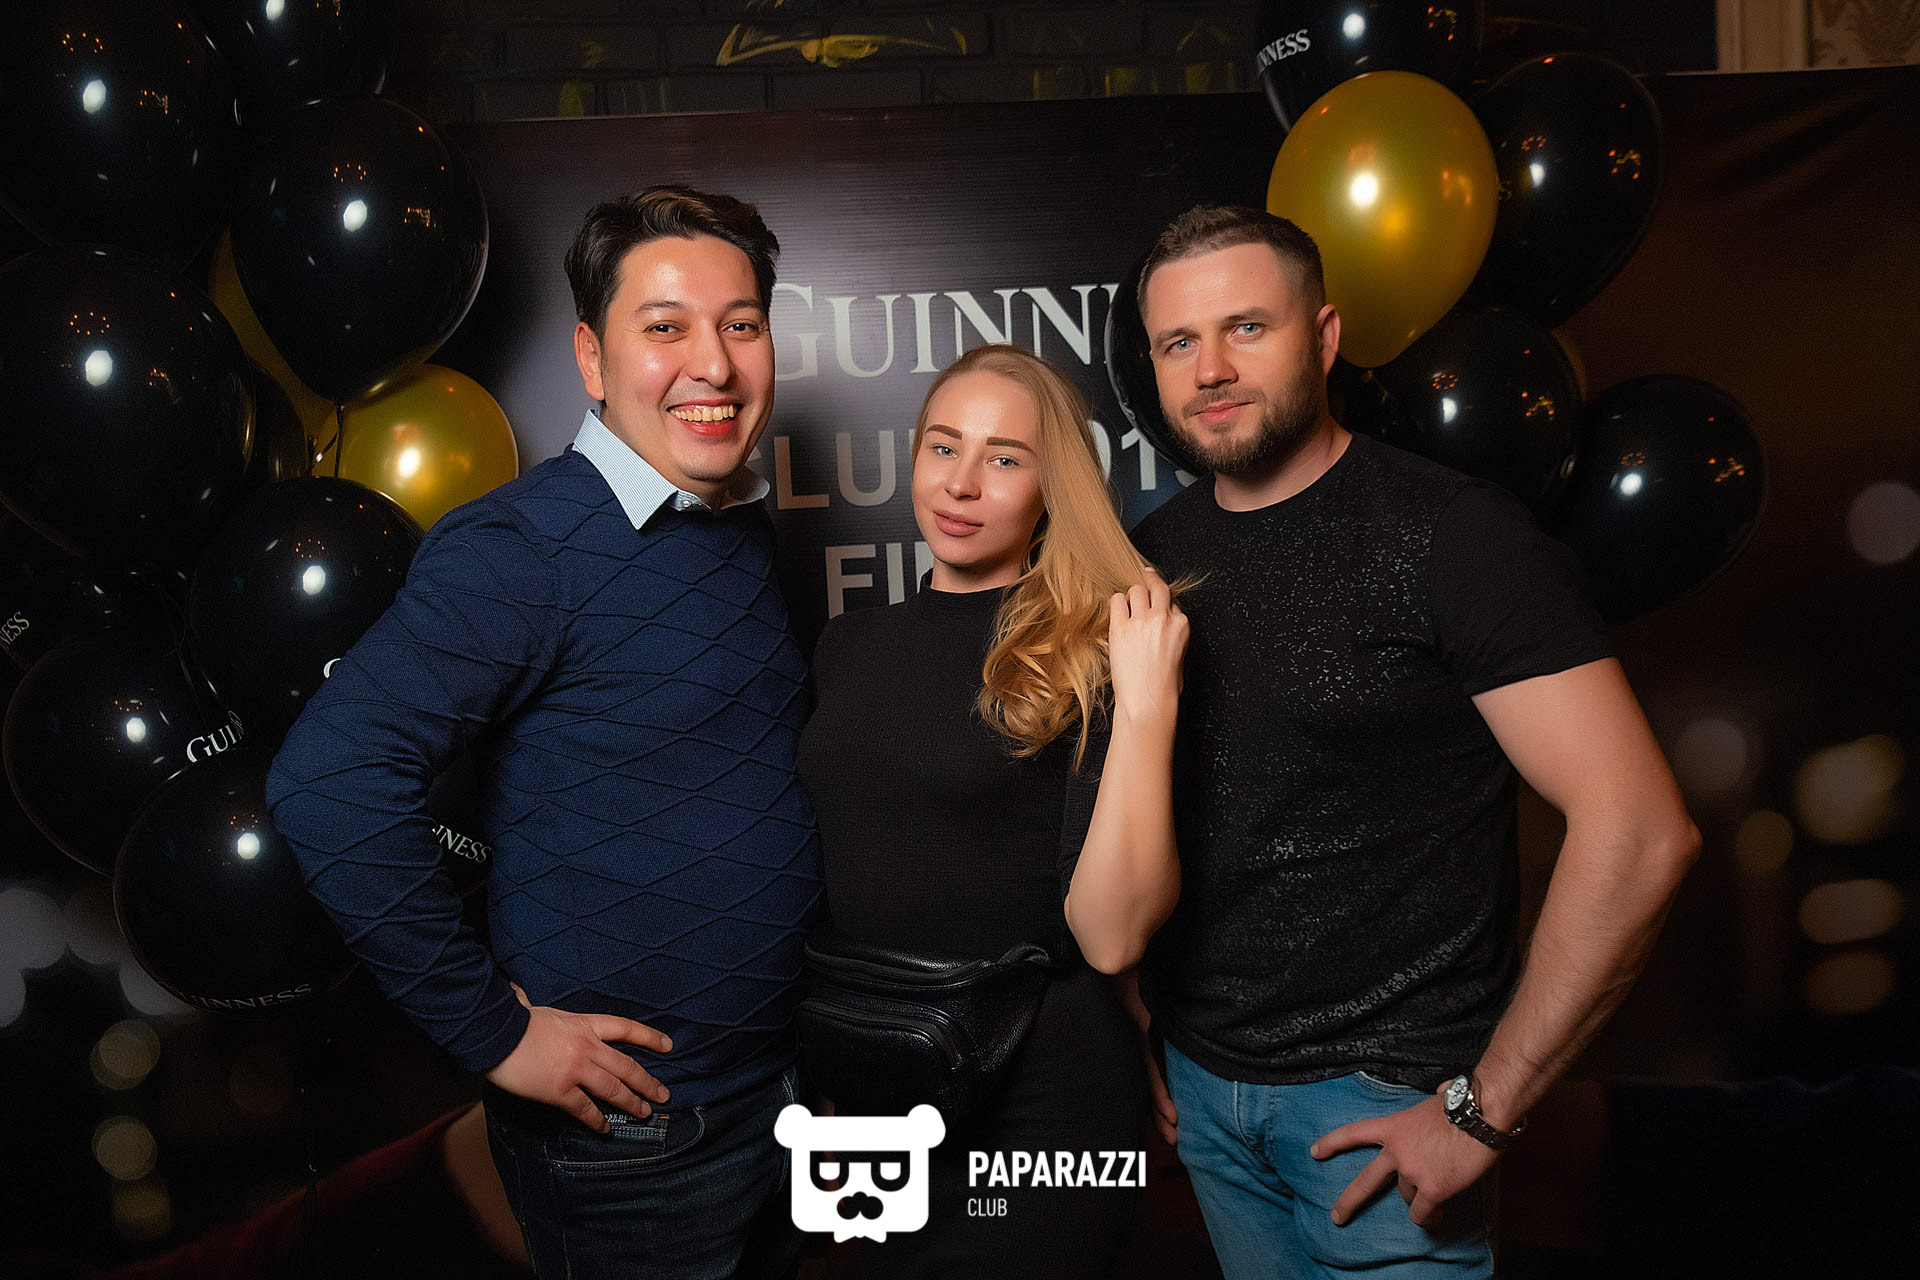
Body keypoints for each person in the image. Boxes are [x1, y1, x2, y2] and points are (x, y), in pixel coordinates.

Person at [1124, 204, 1701, 1278]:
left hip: (1383, 1116)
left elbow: (1639, 832)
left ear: (1325, 337)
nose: (1211, 369)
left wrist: (1484, 1110)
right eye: (1177, 342)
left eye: (1246, 327)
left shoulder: (1453, 534)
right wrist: (1142, 1031)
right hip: (1204, 1100)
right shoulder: (1150, 556)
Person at [266, 186, 823, 1280]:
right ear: (591, 357)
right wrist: (498, 1033)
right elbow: (329, 779)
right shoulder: (521, 549)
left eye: (741, 323)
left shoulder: (735, 524)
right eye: (664, 327)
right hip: (640, 1145)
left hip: (781, 1099)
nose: (713, 364)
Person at [796, 344, 1185, 1276]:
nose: (962, 483)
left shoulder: (1093, 648)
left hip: (1042, 1088)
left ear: (1053, 488)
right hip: (877, 1071)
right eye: (944, 447)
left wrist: (1146, 706)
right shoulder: (847, 645)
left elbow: (1113, 938)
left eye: (1004, 458)